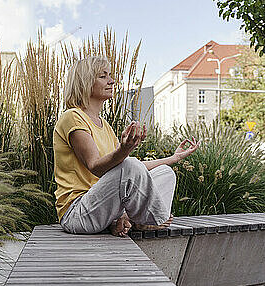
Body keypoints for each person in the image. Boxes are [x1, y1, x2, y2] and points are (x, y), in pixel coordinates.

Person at [53, 56, 200, 237]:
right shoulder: (73, 117)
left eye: (110, 75)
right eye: (103, 76)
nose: (112, 81)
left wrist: (173, 158)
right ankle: (154, 220)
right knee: (131, 166)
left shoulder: (104, 125)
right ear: (85, 82)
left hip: (103, 207)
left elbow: (130, 170)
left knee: (165, 173)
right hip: (78, 214)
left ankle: (126, 220)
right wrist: (124, 149)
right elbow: (95, 167)